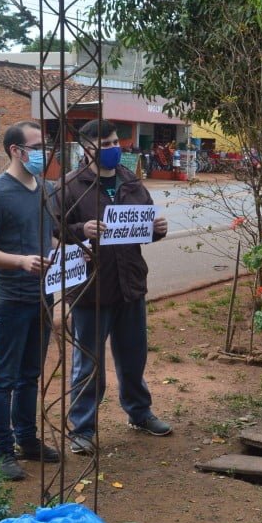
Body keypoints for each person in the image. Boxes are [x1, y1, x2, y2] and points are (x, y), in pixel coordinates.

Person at [56, 119, 171, 455]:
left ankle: (139, 412)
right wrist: (82, 229)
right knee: (88, 363)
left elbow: (143, 227)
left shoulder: (130, 181)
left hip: (129, 285)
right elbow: (53, 230)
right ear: (87, 148)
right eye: (104, 144)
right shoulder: (70, 187)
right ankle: (82, 428)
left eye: (114, 142)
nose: (112, 149)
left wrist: (158, 229)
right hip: (91, 289)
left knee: (134, 356)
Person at [0, 121, 62, 481]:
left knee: (30, 374)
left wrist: (70, 251)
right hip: (10, 299)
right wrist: (21, 262)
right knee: (4, 377)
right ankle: (3, 450)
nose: (44, 152)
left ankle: (27, 439)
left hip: (42, 296)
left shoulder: (46, 189)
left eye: (45, 145)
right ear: (16, 150)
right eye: (37, 146)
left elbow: (46, 238)